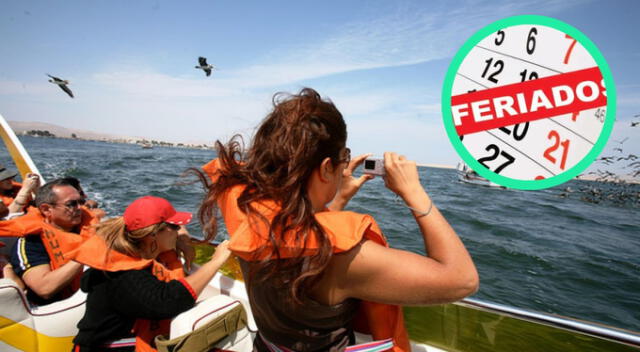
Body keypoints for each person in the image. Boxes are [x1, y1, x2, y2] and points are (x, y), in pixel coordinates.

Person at [197, 88, 479, 351]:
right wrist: (414, 193)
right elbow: (462, 280)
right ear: (326, 167)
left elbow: (293, 225)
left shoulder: (241, 205)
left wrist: (337, 198)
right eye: (344, 156)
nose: (347, 163)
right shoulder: (340, 258)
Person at [72, 196, 232, 352]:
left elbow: (176, 228)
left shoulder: (137, 246)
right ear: (153, 234)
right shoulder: (123, 275)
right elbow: (168, 302)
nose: (178, 231)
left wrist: (182, 239)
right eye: (175, 227)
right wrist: (216, 262)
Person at [2, 178, 98, 305]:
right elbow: (44, 288)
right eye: (71, 204)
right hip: (60, 308)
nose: (80, 208)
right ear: (46, 209)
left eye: (81, 201)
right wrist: (86, 252)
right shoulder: (30, 243)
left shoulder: (91, 229)